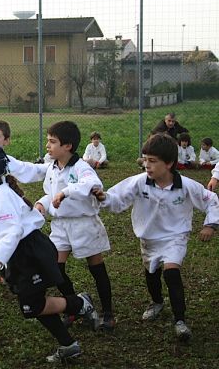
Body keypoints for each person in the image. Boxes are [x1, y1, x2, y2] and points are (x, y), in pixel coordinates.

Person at [0, 143, 99, 363]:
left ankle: (80, 303)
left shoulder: (0, 196)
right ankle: (69, 344)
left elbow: (13, 232)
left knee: (32, 306)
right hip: (20, 253)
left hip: (29, 253)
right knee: (33, 305)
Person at [94, 133, 219, 341]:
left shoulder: (186, 185)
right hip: (149, 239)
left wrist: (210, 225)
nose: (147, 165)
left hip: (175, 237)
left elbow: (211, 200)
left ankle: (180, 321)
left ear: (169, 163)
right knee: (152, 273)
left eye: (152, 161)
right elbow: (118, 199)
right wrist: (104, 197)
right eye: (145, 160)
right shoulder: (139, 182)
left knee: (171, 273)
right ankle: (157, 302)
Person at [34, 121, 114, 330]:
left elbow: (91, 184)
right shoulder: (52, 167)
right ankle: (76, 306)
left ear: (67, 146)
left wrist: (65, 192)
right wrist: (42, 203)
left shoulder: (81, 167)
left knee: (96, 267)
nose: (48, 146)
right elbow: (50, 193)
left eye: (52, 142)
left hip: (84, 224)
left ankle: (108, 313)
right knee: (55, 269)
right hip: (60, 226)